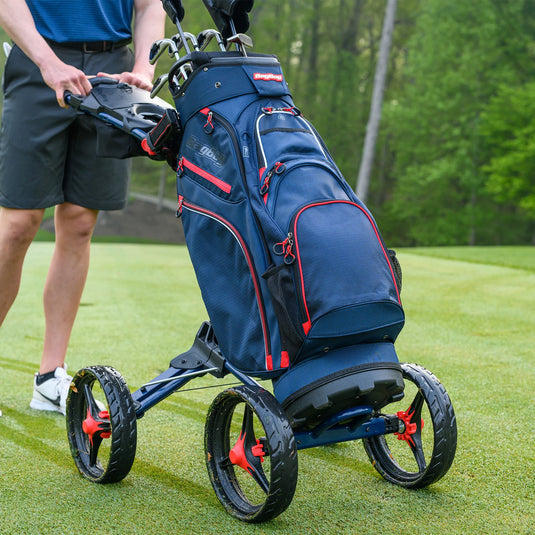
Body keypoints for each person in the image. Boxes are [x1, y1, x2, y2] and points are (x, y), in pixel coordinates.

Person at [0, 0, 166, 415]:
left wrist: (144, 70)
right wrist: (47, 61)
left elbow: (149, 7)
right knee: (17, 225)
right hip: (40, 62)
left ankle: (49, 377)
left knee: (78, 224)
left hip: (113, 71)